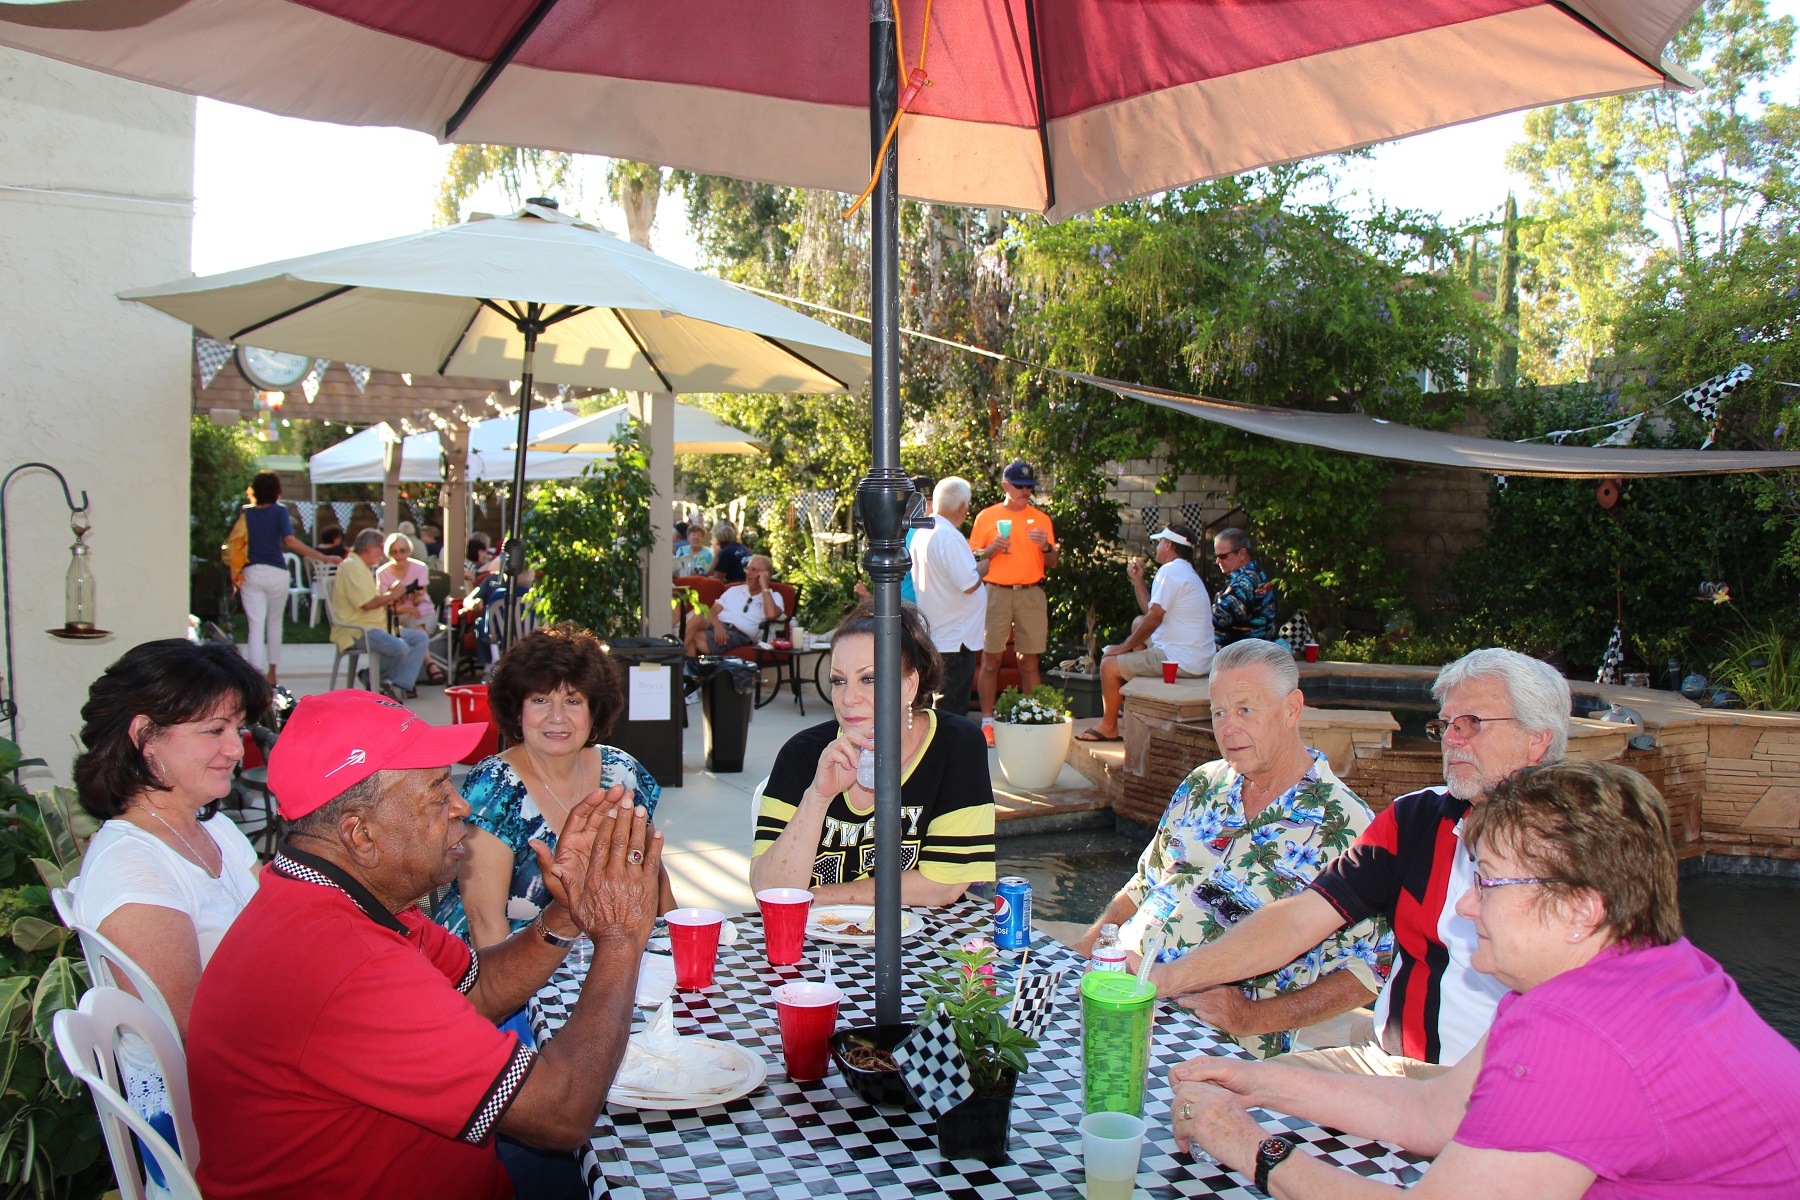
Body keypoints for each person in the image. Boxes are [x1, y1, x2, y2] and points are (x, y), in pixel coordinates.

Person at [1170, 759, 1800, 1197]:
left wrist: (1253, 1148)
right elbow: (1430, 1111)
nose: (1466, 908)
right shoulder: (1630, 973)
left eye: (1489, 882)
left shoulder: (1584, 1036)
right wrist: (1254, 1082)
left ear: (1583, 908)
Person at [187, 689, 663, 1199]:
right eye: (438, 793)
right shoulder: (346, 963)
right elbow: (562, 1112)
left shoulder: (341, 895)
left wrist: (567, 914)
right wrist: (620, 939)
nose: (461, 806)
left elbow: (476, 991)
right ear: (360, 835)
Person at [1147, 647, 1569, 1076]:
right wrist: (1166, 979)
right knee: (1212, 1094)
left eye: (1471, 724)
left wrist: (1248, 1015)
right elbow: (1298, 919)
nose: (1451, 739)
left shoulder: (1579, 850)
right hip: (1386, 1068)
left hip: (1491, 1084)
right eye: (1445, 725)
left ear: (1537, 738)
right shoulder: (1416, 819)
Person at [1072, 639, 1388, 1058]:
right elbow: (1144, 881)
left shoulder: (1346, 825)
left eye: (1245, 710)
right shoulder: (1203, 784)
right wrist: (1089, 945)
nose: (1228, 727)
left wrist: (1253, 1018)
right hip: (1119, 998)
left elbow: (1373, 968)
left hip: (1217, 1044)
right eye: (1219, 712)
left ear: (1293, 709)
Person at [71, 639, 272, 1165]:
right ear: (145, 737)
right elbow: (195, 1033)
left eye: (238, 728)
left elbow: (287, 920)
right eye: (215, 731)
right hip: (208, 1124)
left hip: (256, 1078)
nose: (236, 749)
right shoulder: (131, 867)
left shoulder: (215, 827)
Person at [437, 623, 676, 945]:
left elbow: (654, 880)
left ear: (595, 711)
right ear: (516, 710)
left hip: (601, 954)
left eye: (573, 701)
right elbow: (485, 925)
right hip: (503, 963)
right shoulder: (493, 789)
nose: (557, 717)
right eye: (540, 700)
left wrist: (677, 946)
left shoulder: (622, 772)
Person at [750, 600, 995, 904]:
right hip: (821, 946)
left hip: (920, 942)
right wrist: (817, 797)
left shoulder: (954, 744)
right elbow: (769, 892)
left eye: (868, 678)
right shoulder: (803, 754)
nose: (848, 698)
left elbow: (945, 884)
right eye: (839, 681)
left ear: (909, 686)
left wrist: (820, 898)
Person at [1077, 523, 1216, 743]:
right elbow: (1149, 612)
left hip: (1179, 660)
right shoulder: (1184, 571)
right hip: (1194, 656)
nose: (1158, 546)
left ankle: (1109, 726)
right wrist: (1138, 580)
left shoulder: (1169, 571)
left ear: (1169, 545)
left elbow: (1154, 618)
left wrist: (1120, 649)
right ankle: (1129, 699)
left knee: (1109, 665)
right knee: (1137, 623)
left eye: (1160, 542)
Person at [969, 461, 1059, 746]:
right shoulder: (986, 517)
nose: (1025, 492)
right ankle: (987, 722)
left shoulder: (1042, 519)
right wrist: (991, 549)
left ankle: (1033, 718)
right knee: (991, 659)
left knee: (1029, 660)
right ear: (1006, 486)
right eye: (1020, 487)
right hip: (995, 591)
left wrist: (1046, 546)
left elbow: (1053, 562)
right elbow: (971, 559)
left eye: (1030, 488)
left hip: (1031, 591)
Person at [236, 471, 338, 686]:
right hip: (276, 572)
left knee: (255, 626)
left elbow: (237, 545)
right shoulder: (279, 512)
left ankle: (256, 676)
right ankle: (272, 674)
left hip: (250, 572)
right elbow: (290, 541)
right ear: (276, 491)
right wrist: (322, 556)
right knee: (275, 623)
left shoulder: (245, 514)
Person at [910, 476, 988, 718]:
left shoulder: (924, 531)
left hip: (939, 631)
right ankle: (946, 754)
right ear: (962, 507)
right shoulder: (949, 535)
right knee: (950, 710)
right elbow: (969, 584)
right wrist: (983, 567)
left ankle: (935, 751)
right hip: (956, 637)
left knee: (936, 706)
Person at [331, 529, 430, 698]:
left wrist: (392, 596)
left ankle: (392, 683)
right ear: (369, 547)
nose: (383, 555)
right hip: (357, 630)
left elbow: (371, 600)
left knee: (420, 639)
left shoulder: (359, 566)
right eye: (381, 548)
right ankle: (374, 679)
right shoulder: (352, 567)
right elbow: (367, 604)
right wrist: (394, 594)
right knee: (400, 647)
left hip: (376, 625)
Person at [683, 553, 784, 655]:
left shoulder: (774, 596)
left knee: (692, 636)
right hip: (718, 625)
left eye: (753, 570)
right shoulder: (734, 590)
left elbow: (771, 615)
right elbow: (712, 611)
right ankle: (687, 666)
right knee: (697, 616)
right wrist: (717, 626)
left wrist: (764, 585)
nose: (748, 573)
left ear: (766, 575)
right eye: (747, 569)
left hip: (739, 635)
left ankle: (674, 660)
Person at [1211, 528, 1279, 646]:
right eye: (1216, 556)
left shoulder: (1246, 582)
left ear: (1242, 554)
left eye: (1223, 556)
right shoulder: (1252, 575)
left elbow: (1220, 617)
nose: (1218, 561)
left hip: (1246, 657)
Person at [376, 531, 436, 632]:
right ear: (389, 553)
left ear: (408, 551)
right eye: (394, 551)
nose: (398, 555)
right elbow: (385, 605)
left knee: (419, 630)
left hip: (421, 611)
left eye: (402, 551)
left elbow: (419, 601)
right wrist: (406, 609)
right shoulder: (382, 572)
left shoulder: (421, 568)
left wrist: (417, 597)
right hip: (396, 614)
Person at [899, 473, 933, 607]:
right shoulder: (925, 533)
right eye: (924, 503)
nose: (928, 508)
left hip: (911, 609)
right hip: (911, 610)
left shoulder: (899, 531)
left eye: (930, 502)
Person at [709, 519, 751, 583]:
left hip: (737, 585)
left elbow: (718, 577)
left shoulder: (726, 552)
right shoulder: (745, 549)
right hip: (749, 583)